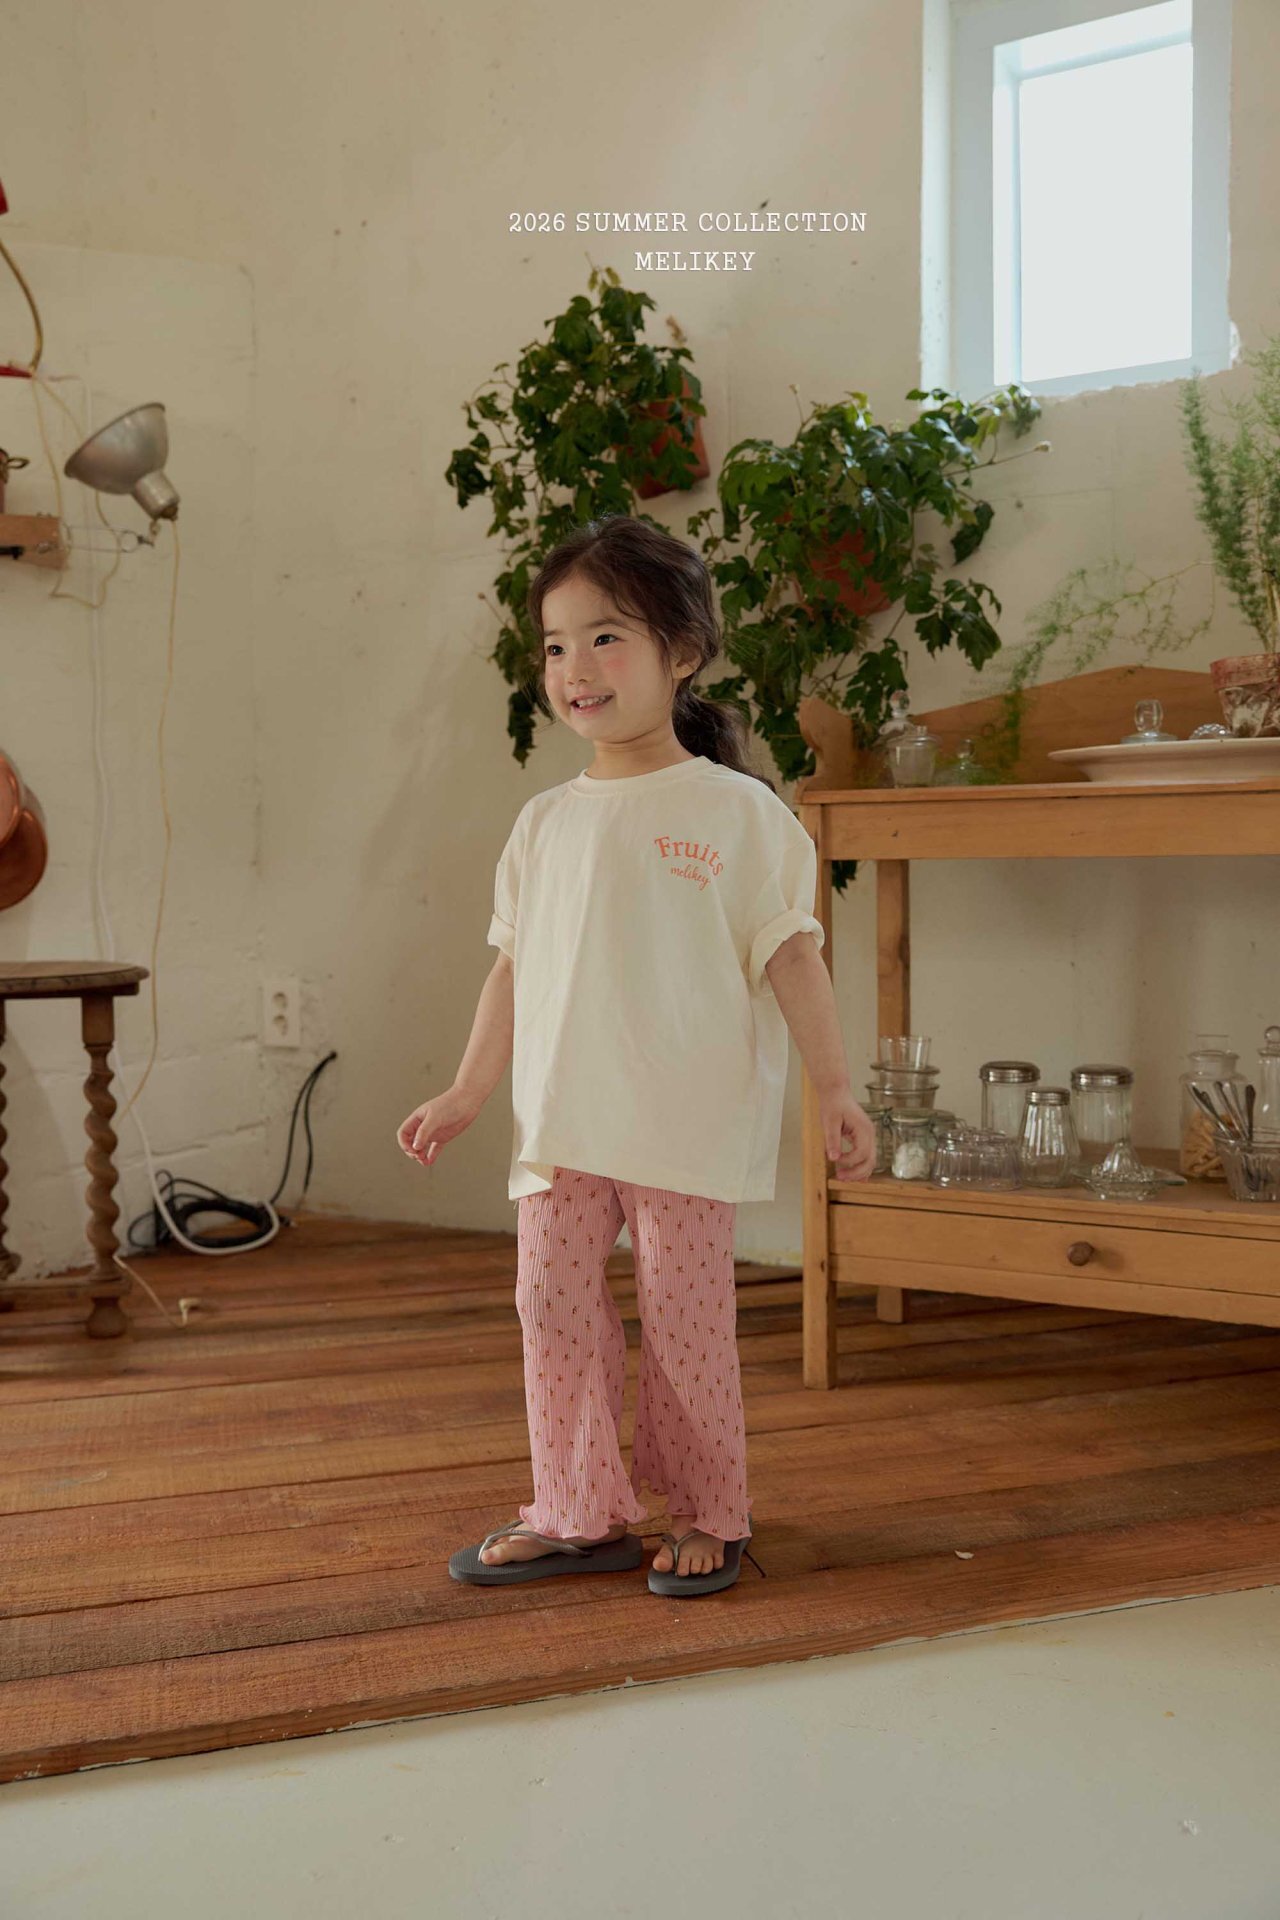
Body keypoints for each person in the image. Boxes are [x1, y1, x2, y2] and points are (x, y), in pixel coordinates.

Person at [396, 515, 876, 1593]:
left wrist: (836, 1089)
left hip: (681, 1126)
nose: (576, 668)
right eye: (556, 645)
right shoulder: (542, 825)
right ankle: (575, 1510)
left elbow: (793, 957)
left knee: (685, 1322)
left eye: (606, 638)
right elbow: (512, 968)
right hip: (563, 1122)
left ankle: (710, 1509)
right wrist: (469, 1087)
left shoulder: (739, 814)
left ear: (683, 651)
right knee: (550, 1308)